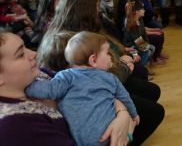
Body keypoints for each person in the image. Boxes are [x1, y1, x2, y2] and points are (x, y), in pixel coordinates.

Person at [41, 0, 164, 145]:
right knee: (154, 109)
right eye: (97, 7)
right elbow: (94, 80)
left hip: (102, 83)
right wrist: (124, 67)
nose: (99, 11)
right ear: (85, 11)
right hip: (93, 97)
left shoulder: (77, 31)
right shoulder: (70, 41)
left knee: (149, 87)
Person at [0, 32, 132, 146]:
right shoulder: (15, 127)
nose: (34, 54)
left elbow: (91, 87)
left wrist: (123, 114)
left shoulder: (38, 74)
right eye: (20, 54)